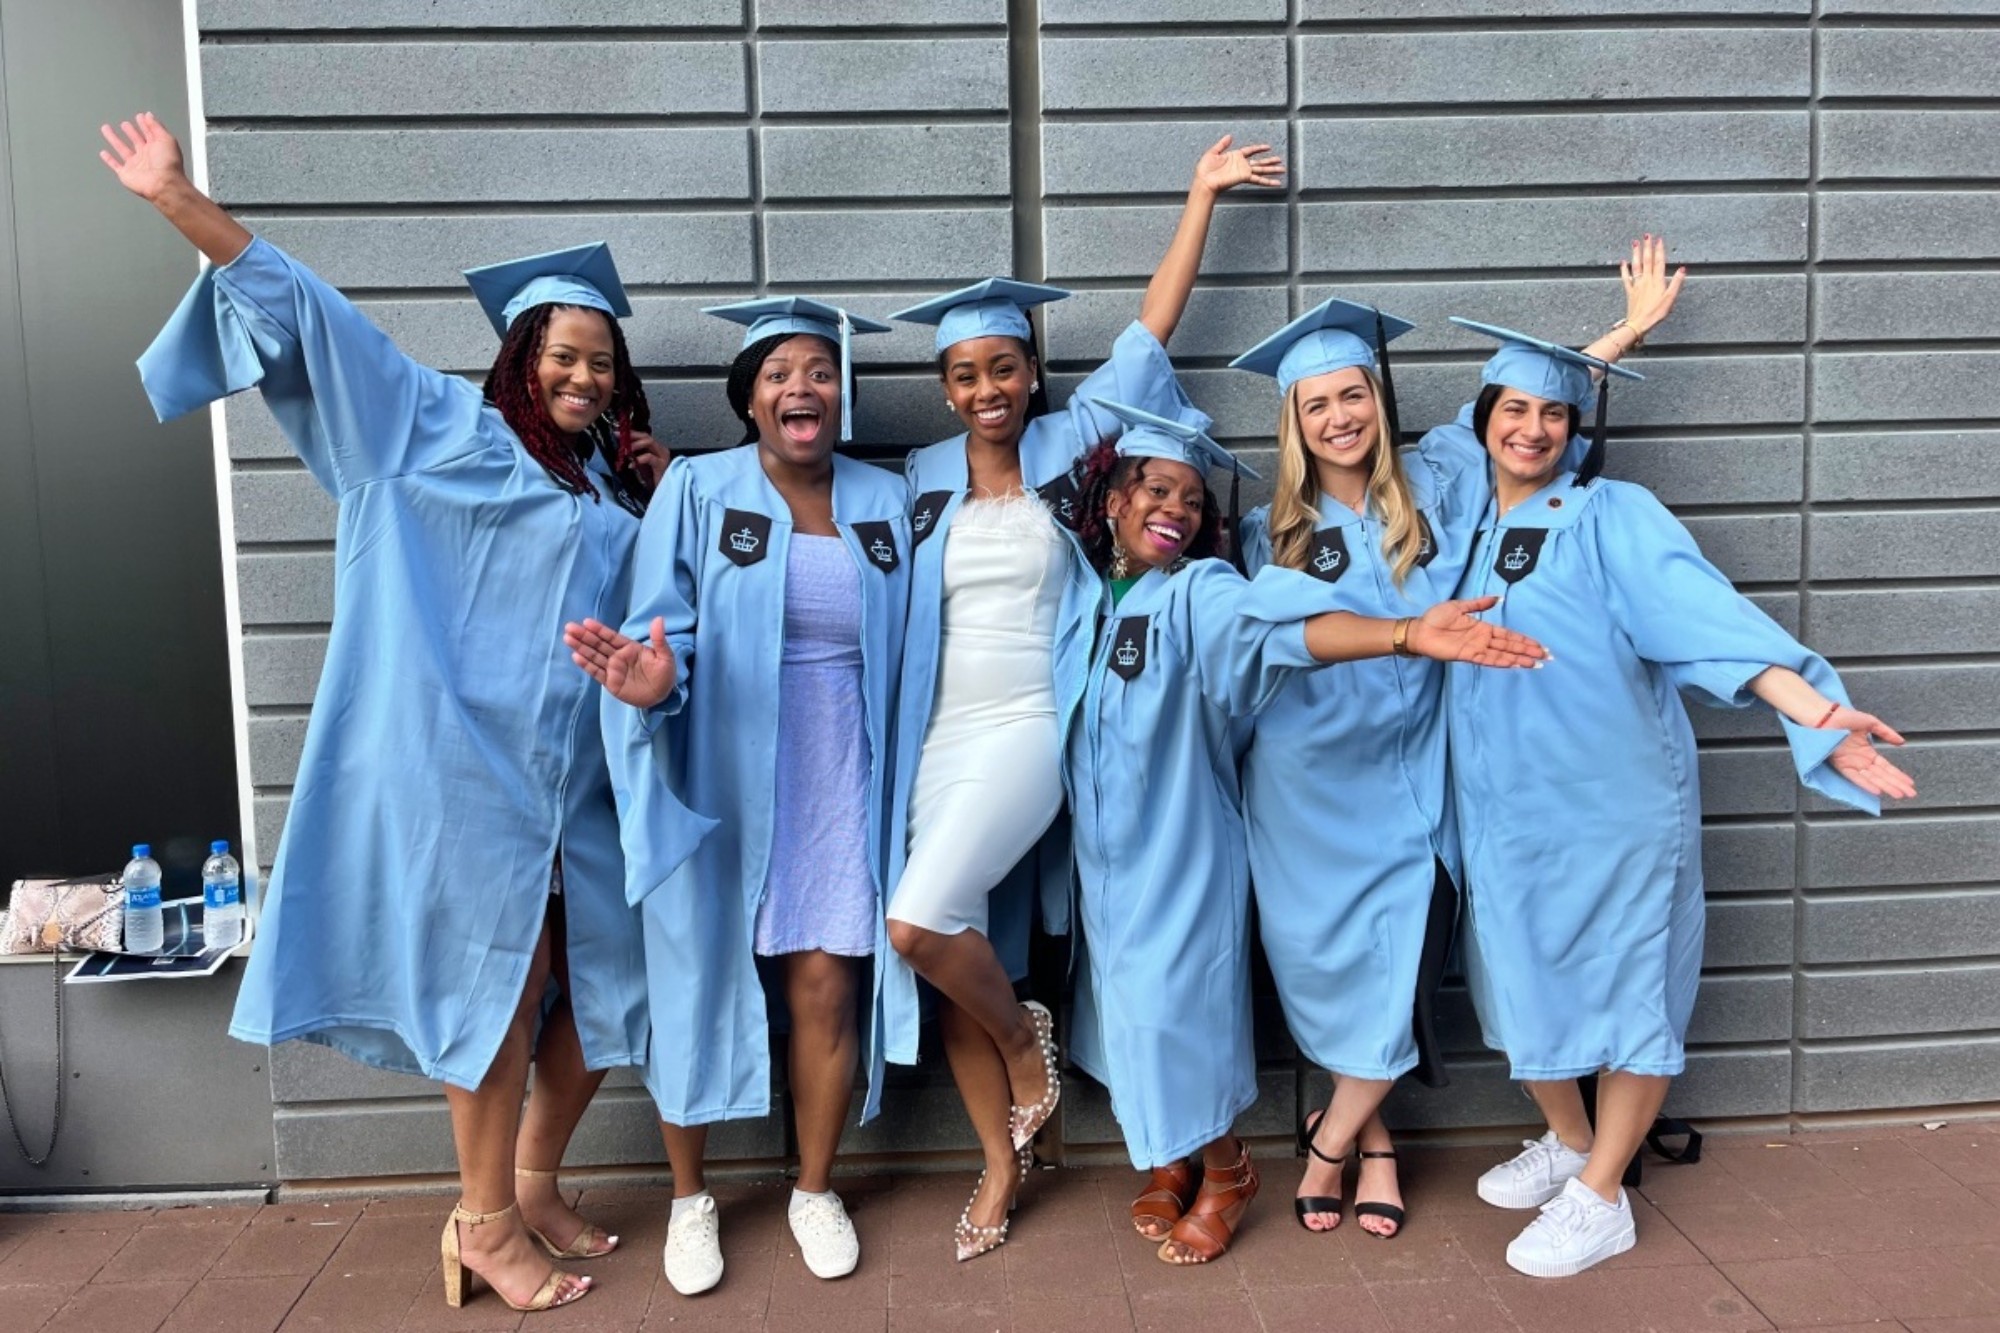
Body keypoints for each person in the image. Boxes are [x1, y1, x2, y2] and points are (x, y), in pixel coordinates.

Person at [101, 113, 668, 1313]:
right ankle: (484, 1225)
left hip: (578, 787)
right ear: (520, 359)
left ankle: (533, 1179)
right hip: (460, 773)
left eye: (601, 362)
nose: (582, 376)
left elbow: (659, 624)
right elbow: (314, 317)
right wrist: (178, 200)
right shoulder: (432, 429)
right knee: (500, 992)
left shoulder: (614, 489)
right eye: (561, 356)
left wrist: (650, 548)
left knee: (596, 989)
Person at [1436, 313, 1916, 1279]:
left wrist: (1815, 710)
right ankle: (1570, 1141)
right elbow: (1464, 429)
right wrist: (1607, 343)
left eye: (1557, 414)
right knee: (1518, 980)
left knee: (1631, 991)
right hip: (1502, 810)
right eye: (1515, 408)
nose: (1532, 428)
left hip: (1612, 806)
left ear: (1580, 430)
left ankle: (1603, 1193)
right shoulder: (1465, 513)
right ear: (1486, 415)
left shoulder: (1617, 514)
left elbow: (1711, 624)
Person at [879, 135, 1285, 1261]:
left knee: (917, 919)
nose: (986, 390)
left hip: (1032, 724)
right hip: (940, 732)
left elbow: (1148, 331)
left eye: (1003, 366)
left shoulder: (1075, 449)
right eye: (963, 374)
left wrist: (1197, 194)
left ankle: (1028, 1050)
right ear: (944, 388)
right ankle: (1003, 1154)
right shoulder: (914, 480)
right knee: (944, 923)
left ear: (1028, 372)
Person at [1061, 398, 1551, 1266]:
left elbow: (1281, 630)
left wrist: (1404, 632)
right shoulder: (1087, 598)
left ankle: (1229, 1168)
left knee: (1181, 1005)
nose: (1174, 509)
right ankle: (1181, 1157)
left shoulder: (1201, 589)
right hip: (1115, 850)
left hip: (1191, 839)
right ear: (1110, 501)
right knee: (1134, 1007)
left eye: (1189, 497)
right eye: (1154, 490)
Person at [566, 298, 913, 1295]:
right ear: (749, 399)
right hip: (718, 764)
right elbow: (656, 628)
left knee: (826, 983)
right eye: (776, 373)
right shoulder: (697, 487)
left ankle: (811, 1188)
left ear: (840, 390)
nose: (798, 386)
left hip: (840, 763)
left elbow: (916, 647)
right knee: (695, 978)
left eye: (817, 369)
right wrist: (649, 683)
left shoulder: (884, 499)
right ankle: (689, 1200)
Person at [1230, 297, 1481, 1239]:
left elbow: (1514, 411)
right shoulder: (1268, 533)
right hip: (1304, 788)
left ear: (1380, 400)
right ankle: (1377, 1143)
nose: (1339, 417)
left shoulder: (1435, 490)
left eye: (1353, 396)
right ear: (1292, 423)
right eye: (1316, 405)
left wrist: (1619, 337)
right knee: (1326, 970)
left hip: (1415, 778)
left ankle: (1330, 1142)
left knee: (1399, 968)